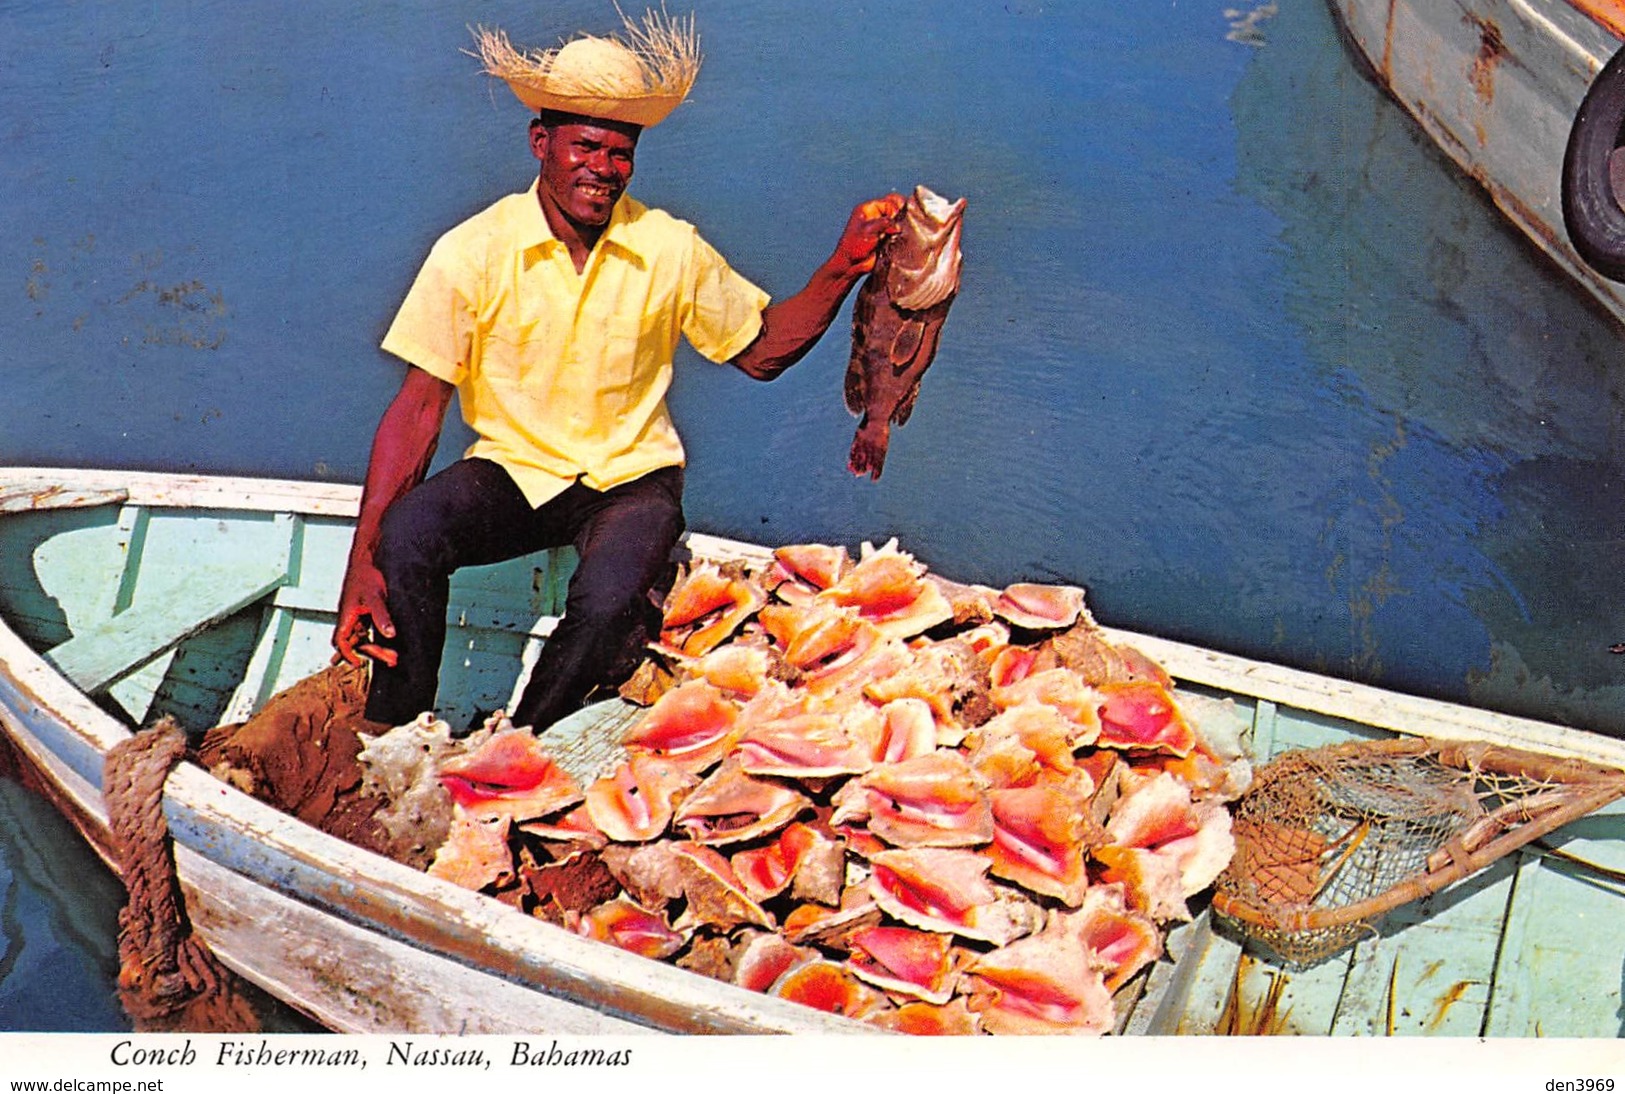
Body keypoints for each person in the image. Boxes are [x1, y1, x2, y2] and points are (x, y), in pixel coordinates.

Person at [331, 13, 902, 732]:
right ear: (542, 144)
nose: (602, 169)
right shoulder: (472, 250)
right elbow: (418, 410)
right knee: (409, 530)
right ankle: (395, 729)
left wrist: (845, 264)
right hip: (519, 470)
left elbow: (759, 351)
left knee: (607, 601)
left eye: (620, 154)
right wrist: (363, 562)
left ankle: (526, 749)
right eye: (585, 147)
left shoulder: (667, 247)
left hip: (630, 478)